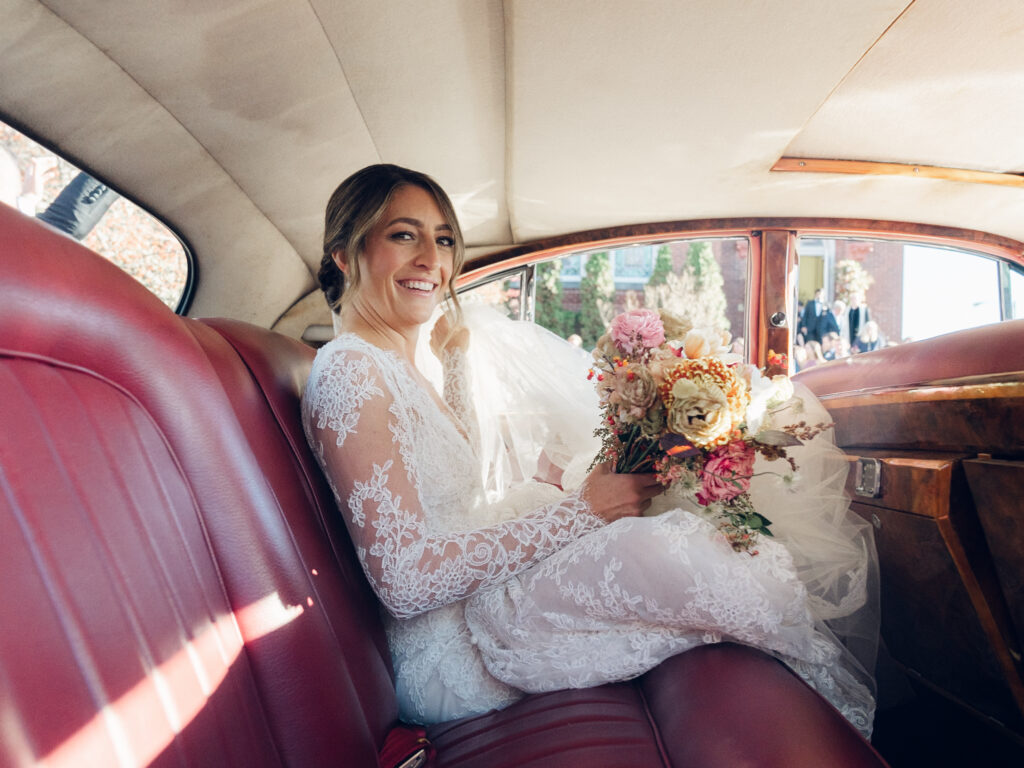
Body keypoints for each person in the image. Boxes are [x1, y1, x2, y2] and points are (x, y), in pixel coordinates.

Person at [302, 164, 878, 736]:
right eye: (404, 234)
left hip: (475, 602)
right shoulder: (351, 371)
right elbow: (406, 581)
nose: (433, 258)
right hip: (453, 650)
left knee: (683, 540)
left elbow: (451, 482)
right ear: (344, 256)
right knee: (675, 553)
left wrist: (453, 362)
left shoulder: (395, 366)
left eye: (444, 239)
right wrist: (584, 511)